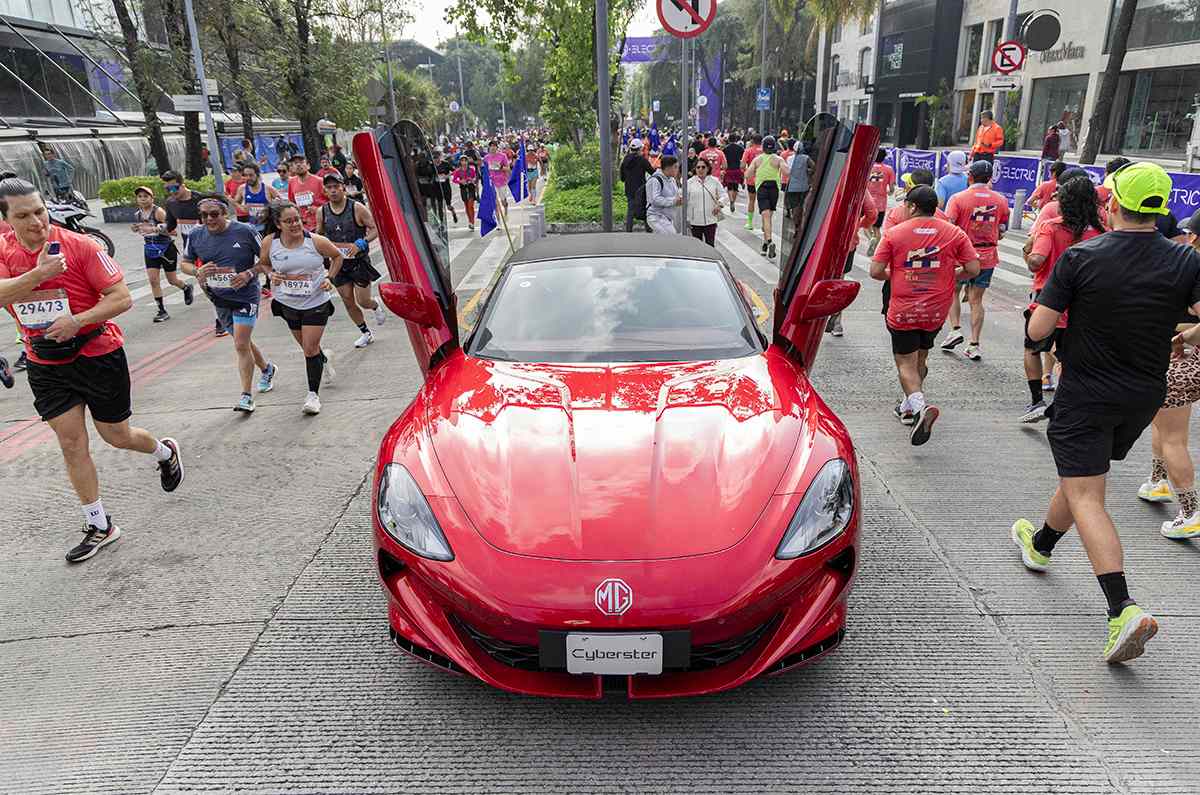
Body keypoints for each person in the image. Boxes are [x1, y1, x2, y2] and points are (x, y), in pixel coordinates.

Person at [1011, 162, 1200, 664]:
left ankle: (1123, 608)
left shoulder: (1082, 257)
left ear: (1112, 203)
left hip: (1087, 390)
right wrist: (1186, 335)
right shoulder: (1186, 261)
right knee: (1083, 477)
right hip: (1142, 394)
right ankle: (1041, 543)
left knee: (1088, 493)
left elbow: (1038, 332)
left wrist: (1040, 319)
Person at [0, 177, 183, 562]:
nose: (36, 221)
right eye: (23, 216)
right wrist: (37, 276)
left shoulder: (81, 245)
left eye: (40, 211)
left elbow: (119, 298)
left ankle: (164, 452)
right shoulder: (4, 252)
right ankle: (100, 524)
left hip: (97, 353)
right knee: (71, 444)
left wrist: (76, 322)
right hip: (45, 362)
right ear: (7, 220)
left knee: (117, 436)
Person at [870, 185, 980, 445]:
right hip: (935, 310)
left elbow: (876, 271)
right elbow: (973, 268)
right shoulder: (954, 233)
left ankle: (919, 407)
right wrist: (948, 276)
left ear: (911, 206)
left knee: (905, 363)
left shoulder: (895, 234)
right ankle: (909, 406)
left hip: (904, 309)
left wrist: (895, 275)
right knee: (921, 355)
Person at [1020, 174, 1107, 423]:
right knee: (1070, 355)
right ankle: (1065, 403)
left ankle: (1037, 401)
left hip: (1050, 300)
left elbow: (1036, 261)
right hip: (1087, 304)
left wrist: (1027, 252)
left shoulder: (1053, 226)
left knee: (1032, 347)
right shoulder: (1104, 232)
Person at [180, 196, 277, 412]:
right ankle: (267, 368)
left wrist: (248, 273)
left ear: (226, 213)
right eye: (203, 215)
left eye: (214, 214)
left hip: (245, 296)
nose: (208, 219)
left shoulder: (245, 231)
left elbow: (267, 261)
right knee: (244, 342)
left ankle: (246, 396)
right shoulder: (196, 234)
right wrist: (197, 271)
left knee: (241, 344)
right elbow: (185, 263)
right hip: (218, 298)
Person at [1139, 208, 1200, 537]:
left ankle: (1191, 512)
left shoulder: (1190, 266)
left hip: (1186, 361)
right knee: (1165, 422)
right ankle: (1157, 480)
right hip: (1190, 359)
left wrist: (1183, 337)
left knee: (1174, 436)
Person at [261, 202, 343, 415]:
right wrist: (271, 275)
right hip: (287, 302)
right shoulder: (270, 243)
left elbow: (337, 257)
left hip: (315, 302)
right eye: (288, 221)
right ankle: (323, 359)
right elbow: (264, 264)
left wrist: (329, 277)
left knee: (309, 349)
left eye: (297, 219)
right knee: (309, 348)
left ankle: (313, 396)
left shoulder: (316, 241)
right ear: (278, 224)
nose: (295, 224)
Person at [941, 160, 1009, 361]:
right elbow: (1003, 230)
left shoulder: (958, 199)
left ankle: (955, 329)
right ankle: (974, 344)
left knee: (953, 291)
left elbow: (948, 227)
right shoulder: (1001, 200)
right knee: (977, 300)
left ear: (970, 176)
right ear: (989, 178)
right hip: (987, 256)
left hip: (961, 255)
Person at [317, 172, 385, 349]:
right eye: (329, 187)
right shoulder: (322, 211)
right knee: (347, 300)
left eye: (336, 187)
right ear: (325, 190)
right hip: (338, 263)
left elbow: (375, 228)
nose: (333, 191)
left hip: (358, 262)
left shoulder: (357, 208)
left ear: (343, 188)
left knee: (363, 301)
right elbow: (319, 234)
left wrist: (362, 242)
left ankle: (375, 304)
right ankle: (365, 332)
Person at [161, 170, 232, 337]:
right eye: (168, 189)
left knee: (215, 283)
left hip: (211, 247)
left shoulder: (200, 200)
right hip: (192, 251)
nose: (172, 192)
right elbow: (169, 226)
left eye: (175, 188)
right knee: (206, 286)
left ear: (183, 183)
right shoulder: (171, 203)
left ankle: (221, 320)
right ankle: (222, 313)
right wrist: (154, 228)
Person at [130, 185, 193, 322]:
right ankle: (161, 310)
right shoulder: (138, 214)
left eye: (145, 196)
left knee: (172, 280)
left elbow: (174, 231)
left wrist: (155, 229)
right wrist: (136, 228)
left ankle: (186, 287)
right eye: (140, 197)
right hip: (150, 249)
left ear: (152, 198)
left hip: (166, 248)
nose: (142, 199)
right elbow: (142, 229)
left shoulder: (159, 212)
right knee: (153, 280)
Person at [745, 135, 786, 260]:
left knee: (765, 217)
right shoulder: (778, 159)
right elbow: (787, 172)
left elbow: (748, 175)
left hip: (762, 188)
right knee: (768, 218)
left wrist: (753, 171)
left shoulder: (758, 160)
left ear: (763, 146)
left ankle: (769, 241)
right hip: (774, 188)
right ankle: (764, 245)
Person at [685, 158, 725, 246]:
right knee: (696, 247)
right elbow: (684, 201)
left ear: (708, 168)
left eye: (703, 167)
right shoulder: (689, 183)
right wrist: (687, 219)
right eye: (698, 167)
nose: (700, 169)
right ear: (695, 169)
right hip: (694, 221)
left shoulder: (714, 181)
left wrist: (719, 205)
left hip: (710, 220)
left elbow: (723, 195)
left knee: (710, 245)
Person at [865, 148, 896, 255]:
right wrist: (889, 192)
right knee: (877, 229)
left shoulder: (868, 168)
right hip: (881, 204)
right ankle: (876, 249)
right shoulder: (889, 169)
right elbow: (891, 189)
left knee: (865, 226)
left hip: (867, 202)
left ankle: (870, 239)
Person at [620, 139, 654, 233]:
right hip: (641, 189)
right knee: (644, 208)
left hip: (629, 189)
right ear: (639, 149)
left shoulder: (625, 160)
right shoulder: (642, 160)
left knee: (630, 210)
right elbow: (652, 172)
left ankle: (629, 230)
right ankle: (648, 229)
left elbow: (622, 178)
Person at [234, 162, 279, 234]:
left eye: (251, 175)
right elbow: (236, 202)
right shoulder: (242, 188)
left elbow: (282, 204)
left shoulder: (268, 188)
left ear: (257, 175)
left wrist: (271, 208)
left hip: (268, 227)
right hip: (253, 227)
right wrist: (242, 208)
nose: (248, 178)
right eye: (245, 175)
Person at [287, 155, 326, 232]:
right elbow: (291, 203)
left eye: (301, 162)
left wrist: (318, 209)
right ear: (292, 168)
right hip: (302, 226)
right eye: (295, 163)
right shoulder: (291, 182)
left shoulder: (320, 181)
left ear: (308, 166)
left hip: (320, 224)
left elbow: (332, 203)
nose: (298, 165)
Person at [645, 155, 681, 235]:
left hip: (668, 217)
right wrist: (673, 201)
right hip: (656, 216)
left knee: (664, 242)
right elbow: (654, 199)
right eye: (675, 167)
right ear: (668, 168)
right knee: (671, 238)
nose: (677, 170)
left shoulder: (671, 179)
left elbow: (674, 195)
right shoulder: (655, 180)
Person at [785, 141, 814, 229]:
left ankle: (796, 225)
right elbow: (814, 167)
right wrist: (808, 172)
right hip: (804, 186)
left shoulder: (789, 158)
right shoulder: (806, 158)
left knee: (794, 206)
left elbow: (787, 171)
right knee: (801, 205)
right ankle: (800, 223)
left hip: (792, 187)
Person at [741, 134, 763, 230]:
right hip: (764, 179)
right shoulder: (765, 151)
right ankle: (764, 224)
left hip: (751, 180)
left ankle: (750, 223)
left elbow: (742, 165)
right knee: (763, 202)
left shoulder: (748, 150)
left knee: (751, 201)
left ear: (752, 141)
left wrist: (746, 173)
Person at [482, 140, 511, 212]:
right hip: (492, 182)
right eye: (491, 146)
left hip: (502, 181)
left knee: (502, 200)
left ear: (497, 147)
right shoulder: (486, 158)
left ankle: (506, 209)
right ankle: (498, 220)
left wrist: (500, 167)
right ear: (489, 147)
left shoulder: (502, 156)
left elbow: (508, 169)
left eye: (494, 146)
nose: (492, 147)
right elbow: (485, 171)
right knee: (495, 202)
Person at [452, 157, 479, 230]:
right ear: (460, 162)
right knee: (466, 206)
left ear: (467, 162)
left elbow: (475, 178)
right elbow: (454, 180)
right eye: (462, 161)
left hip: (471, 188)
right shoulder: (458, 171)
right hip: (463, 188)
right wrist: (460, 181)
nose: (464, 162)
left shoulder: (471, 169)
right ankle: (469, 221)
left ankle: (472, 222)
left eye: (465, 160)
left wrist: (472, 180)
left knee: (471, 205)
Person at [722, 133, 745, 212]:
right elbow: (743, 159)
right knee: (735, 187)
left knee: (729, 187)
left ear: (729, 140)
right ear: (736, 140)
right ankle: (733, 202)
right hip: (737, 169)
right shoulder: (740, 148)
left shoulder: (725, 149)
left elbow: (724, 160)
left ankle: (731, 200)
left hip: (729, 169)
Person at [433, 149, 458, 224]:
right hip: (437, 187)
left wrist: (447, 176)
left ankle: (453, 213)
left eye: (437, 157)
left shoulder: (445, 164)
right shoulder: (432, 165)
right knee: (440, 206)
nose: (436, 159)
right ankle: (441, 222)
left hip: (446, 187)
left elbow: (455, 171)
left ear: (440, 157)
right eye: (434, 158)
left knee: (448, 206)